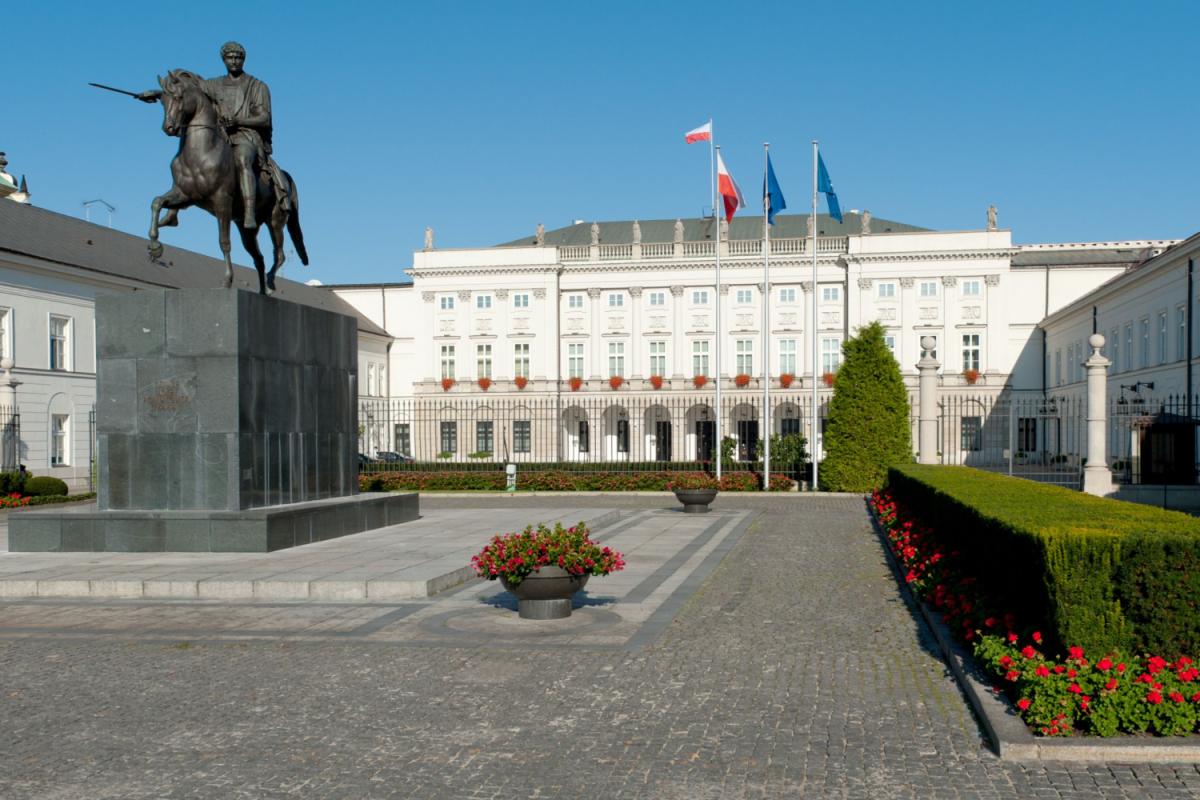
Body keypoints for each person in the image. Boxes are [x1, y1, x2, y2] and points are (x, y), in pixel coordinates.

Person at [137, 42, 289, 230]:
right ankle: (173, 211)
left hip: (245, 135)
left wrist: (238, 120)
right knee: (187, 156)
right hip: (220, 134)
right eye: (229, 57)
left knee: (242, 158)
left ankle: (249, 212)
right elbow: (184, 94)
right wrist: (158, 94)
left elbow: (264, 118)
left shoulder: (258, 86)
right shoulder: (212, 84)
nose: (233, 61)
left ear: (244, 59)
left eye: (237, 57)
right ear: (223, 60)